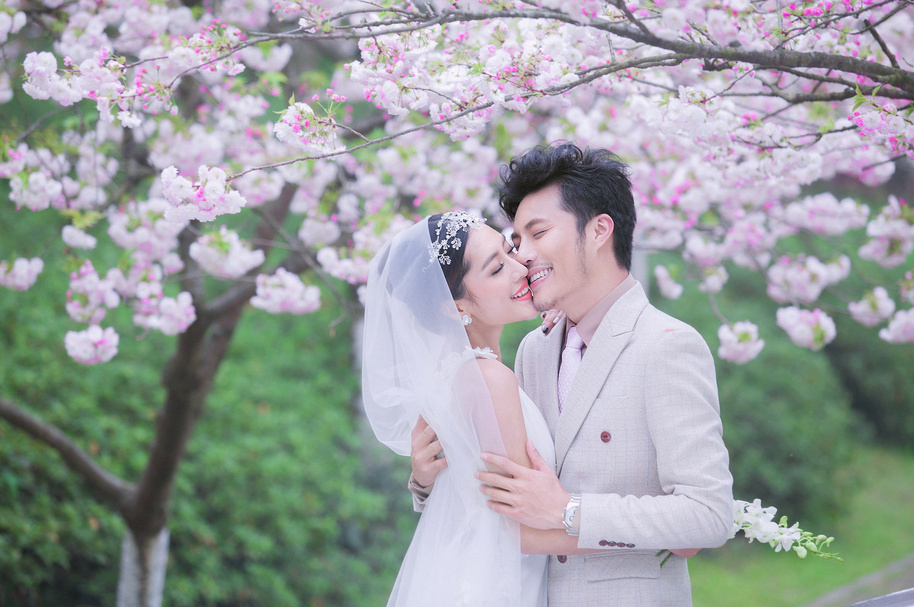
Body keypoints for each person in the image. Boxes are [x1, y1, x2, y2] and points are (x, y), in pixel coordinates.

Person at [410, 142, 734, 606]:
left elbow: (708, 515)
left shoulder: (665, 345)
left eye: (538, 233)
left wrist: (569, 510)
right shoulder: (534, 350)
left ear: (600, 230)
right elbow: (499, 491)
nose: (523, 256)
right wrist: (424, 482)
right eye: (516, 241)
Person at [362, 212, 592, 607]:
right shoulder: (488, 380)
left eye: (509, 251)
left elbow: (458, 493)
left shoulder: (452, 374)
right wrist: (640, 538)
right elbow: (519, 528)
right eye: (497, 268)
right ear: (456, 308)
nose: (521, 268)